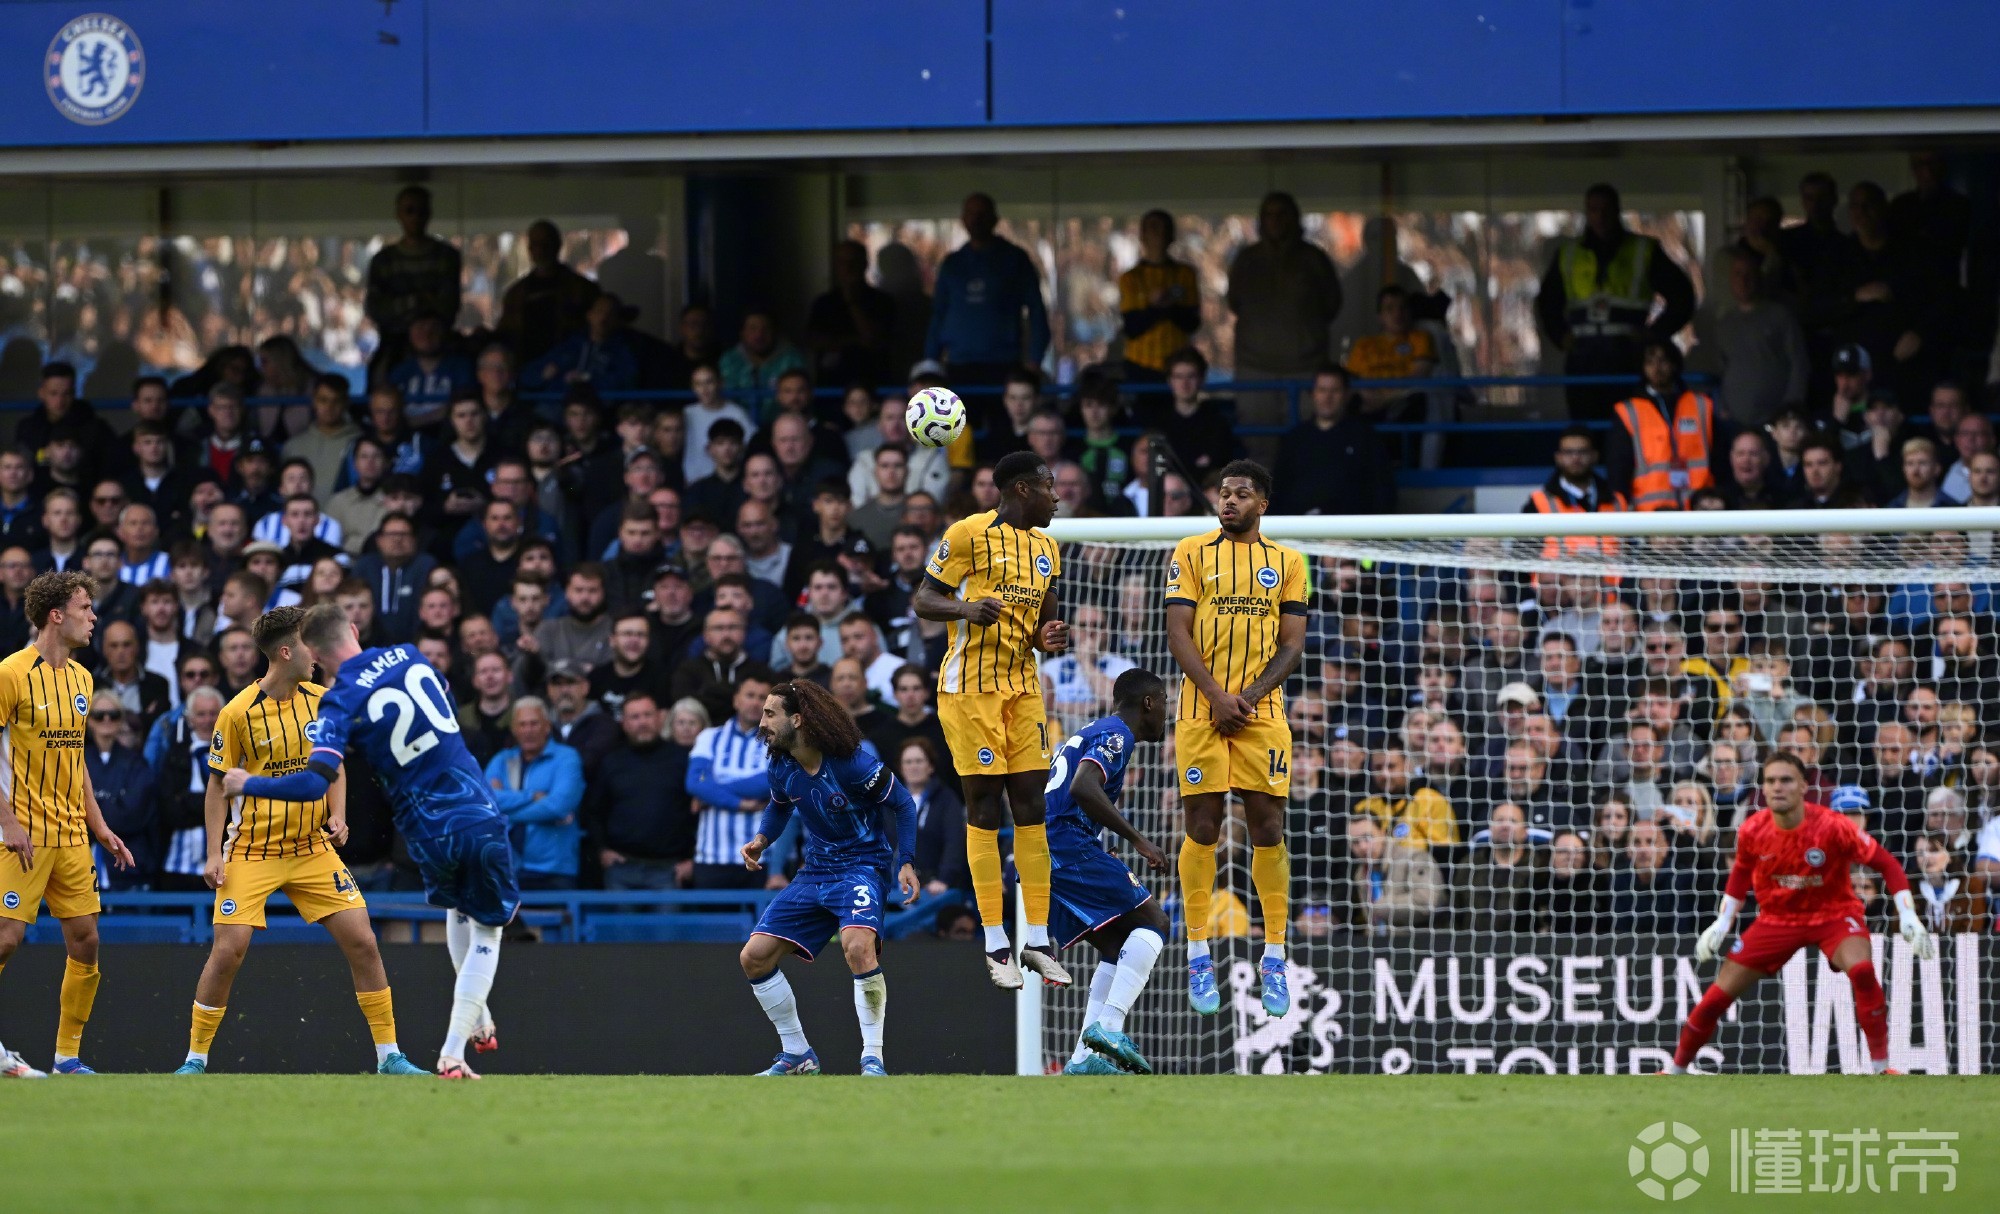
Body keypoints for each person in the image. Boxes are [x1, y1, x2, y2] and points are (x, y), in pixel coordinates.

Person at [221, 603, 522, 1081]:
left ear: (314, 652)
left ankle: (478, 1019)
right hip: (474, 810)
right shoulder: (409, 655)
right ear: (355, 630)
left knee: (458, 909)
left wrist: (247, 783)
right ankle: (452, 1052)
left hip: (423, 830)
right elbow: (442, 699)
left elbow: (311, 783)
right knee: (488, 928)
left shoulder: (339, 702)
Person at [176, 606, 418, 1076]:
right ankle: (195, 1059)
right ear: (286, 651)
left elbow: (337, 768)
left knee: (364, 941)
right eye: (310, 645)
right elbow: (217, 785)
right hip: (252, 850)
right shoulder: (236, 712)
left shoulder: (323, 698)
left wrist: (339, 814)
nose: (319, 655)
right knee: (228, 951)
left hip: (311, 848)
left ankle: (389, 1055)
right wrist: (212, 854)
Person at [910, 451, 1071, 989]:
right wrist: (964, 609)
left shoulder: (1049, 547)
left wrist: (1049, 637)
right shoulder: (967, 535)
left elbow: (1043, 624)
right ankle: (995, 941)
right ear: (1024, 488)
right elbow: (923, 599)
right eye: (1050, 486)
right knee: (984, 804)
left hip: (1023, 688)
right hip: (969, 689)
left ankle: (1039, 940)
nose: (1058, 496)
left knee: (1031, 805)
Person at [1668, 753, 1935, 1075]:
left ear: (1803, 787)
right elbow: (1739, 877)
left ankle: (1882, 1067)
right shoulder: (1753, 830)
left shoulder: (1832, 826)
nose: (1777, 787)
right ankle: (1675, 1070)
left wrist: (1907, 914)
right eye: (1770, 781)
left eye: (1786, 780)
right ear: (1763, 788)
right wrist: (1722, 924)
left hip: (1833, 915)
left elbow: (1887, 864)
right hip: (1776, 920)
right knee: (1716, 997)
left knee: (1863, 970)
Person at [1164, 459, 1308, 1018]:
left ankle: (1274, 954)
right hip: (1201, 711)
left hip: (1262, 712)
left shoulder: (1289, 563)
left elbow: (1292, 645)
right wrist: (1218, 697)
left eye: (1242, 494)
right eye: (1224, 493)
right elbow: (1178, 632)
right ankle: (1198, 951)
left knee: (1267, 826)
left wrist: (1245, 696)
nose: (1229, 502)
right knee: (1202, 826)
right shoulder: (1190, 553)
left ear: (1262, 504)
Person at [737, 678, 920, 1077]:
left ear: (798, 720)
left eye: (770, 714)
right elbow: (780, 806)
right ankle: (797, 1053)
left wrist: (905, 861)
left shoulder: (852, 763)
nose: (762, 721)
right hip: (815, 871)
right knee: (753, 957)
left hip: (861, 866)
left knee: (857, 948)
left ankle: (873, 1057)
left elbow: (903, 805)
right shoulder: (782, 765)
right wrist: (761, 840)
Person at [0, 571, 136, 1077]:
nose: (93, 616)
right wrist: (9, 822)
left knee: (86, 939)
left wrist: (99, 826)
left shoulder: (82, 679)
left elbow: (75, 758)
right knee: (6, 937)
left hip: (72, 833)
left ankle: (66, 1057)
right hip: (21, 833)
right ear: (56, 615)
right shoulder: (10, 673)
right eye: (85, 608)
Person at [1040, 668, 1173, 1076]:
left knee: (1118, 947)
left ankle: (1083, 1059)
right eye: (1165, 703)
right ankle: (1110, 1028)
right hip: (1066, 847)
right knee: (1156, 922)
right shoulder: (1117, 734)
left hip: (1049, 851)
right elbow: (1083, 786)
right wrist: (1139, 840)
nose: (1166, 713)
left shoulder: (1093, 730)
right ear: (1148, 703)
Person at [1535, 183, 1697, 423]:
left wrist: (1653, 334)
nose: (1600, 216)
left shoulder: (1643, 250)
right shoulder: (1568, 253)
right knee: (1587, 430)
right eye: (1593, 209)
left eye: (1606, 209)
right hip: (1583, 357)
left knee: (1629, 427)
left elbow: (1683, 296)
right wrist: (1560, 336)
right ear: (1587, 213)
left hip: (1626, 355)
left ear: (1617, 210)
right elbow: (1547, 302)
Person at [923, 193, 1051, 421]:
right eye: (971, 214)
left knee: (1003, 437)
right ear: (962, 220)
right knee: (961, 437)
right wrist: (931, 365)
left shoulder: (1015, 259)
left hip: (1004, 365)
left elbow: (1037, 312)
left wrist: (1034, 361)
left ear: (994, 219)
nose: (976, 220)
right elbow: (938, 315)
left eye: (982, 214)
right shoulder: (953, 263)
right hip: (959, 366)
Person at [1226, 192, 1343, 433]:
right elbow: (1234, 302)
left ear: (1294, 218)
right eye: (1269, 214)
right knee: (1259, 445)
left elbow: (1331, 304)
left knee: (1308, 441)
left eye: (1282, 214)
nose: (1275, 220)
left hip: (1306, 367)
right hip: (1255, 369)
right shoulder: (1247, 260)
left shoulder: (1314, 259)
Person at [587, 692, 694, 891]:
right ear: (624, 723)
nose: (642, 722)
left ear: (660, 718)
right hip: (621, 867)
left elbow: (697, 811)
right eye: (635, 717)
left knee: (669, 924)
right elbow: (594, 811)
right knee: (618, 924)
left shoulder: (682, 759)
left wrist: (691, 859)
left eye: (647, 715)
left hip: (670, 868)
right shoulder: (611, 762)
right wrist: (602, 850)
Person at [687, 672, 777, 890]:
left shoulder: (778, 741)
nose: (756, 703)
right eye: (750, 695)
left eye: (762, 698)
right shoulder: (709, 737)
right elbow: (695, 782)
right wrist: (740, 803)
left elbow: (770, 782)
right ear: (736, 700)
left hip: (761, 858)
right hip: (712, 856)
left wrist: (713, 791)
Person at [484, 698, 584, 891]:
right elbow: (486, 802)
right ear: (514, 729)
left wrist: (505, 813)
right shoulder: (502, 760)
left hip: (554, 869)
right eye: (522, 724)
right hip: (508, 867)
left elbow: (558, 806)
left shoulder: (566, 758)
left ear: (547, 726)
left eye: (534, 723)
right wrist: (530, 796)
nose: (528, 730)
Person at [1706, 247, 1809, 429]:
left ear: (1758, 277)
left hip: (1777, 420)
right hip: (1734, 420)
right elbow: (1719, 370)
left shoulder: (1780, 316)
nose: (1743, 280)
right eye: (1738, 274)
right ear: (1731, 280)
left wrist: (1791, 408)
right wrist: (1722, 406)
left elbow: (1799, 363)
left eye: (1749, 274)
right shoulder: (1724, 324)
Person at [1607, 340, 1717, 511]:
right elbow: (1618, 469)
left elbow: (1719, 458)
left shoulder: (1701, 405)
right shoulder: (1628, 411)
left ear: (1674, 364)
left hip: (1700, 509)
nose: (1657, 367)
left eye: (1663, 360)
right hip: (1651, 515)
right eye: (1650, 362)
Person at [364, 186, 462, 373]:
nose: (416, 217)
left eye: (421, 211)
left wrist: (404, 306)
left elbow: (449, 305)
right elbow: (376, 308)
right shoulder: (384, 260)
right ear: (399, 214)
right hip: (395, 343)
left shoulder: (446, 256)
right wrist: (419, 300)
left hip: (439, 343)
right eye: (409, 211)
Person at [1269, 364, 1390, 515]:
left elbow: (1381, 491)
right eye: (1322, 390)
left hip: (1349, 531)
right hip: (1299, 531)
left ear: (1346, 395)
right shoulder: (1296, 438)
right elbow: (1278, 489)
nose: (1328, 397)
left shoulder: (1365, 437)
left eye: (1335, 391)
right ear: (1313, 394)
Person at [496, 219, 600, 364]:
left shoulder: (583, 289)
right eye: (535, 245)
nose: (540, 250)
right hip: (526, 367)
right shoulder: (516, 294)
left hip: (570, 365)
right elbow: (507, 332)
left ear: (557, 245)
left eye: (546, 244)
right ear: (529, 248)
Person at [1117, 209, 1201, 382]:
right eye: (1153, 227)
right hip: (1139, 364)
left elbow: (1192, 322)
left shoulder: (1185, 275)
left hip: (1177, 366)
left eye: (1164, 228)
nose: (1158, 233)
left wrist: (1167, 305)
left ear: (1172, 235)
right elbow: (1132, 327)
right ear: (1142, 235)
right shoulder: (1130, 278)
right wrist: (1157, 307)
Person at [806, 240, 897, 389]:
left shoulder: (882, 302)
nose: (848, 268)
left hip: (873, 383)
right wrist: (853, 341)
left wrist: (852, 302)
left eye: (854, 261)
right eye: (842, 262)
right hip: (831, 387)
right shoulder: (823, 303)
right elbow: (813, 341)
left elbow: (873, 340)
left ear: (864, 264)